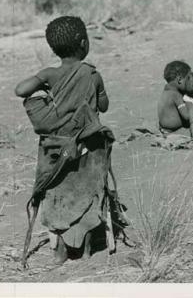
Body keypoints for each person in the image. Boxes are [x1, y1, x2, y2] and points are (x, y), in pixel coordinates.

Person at [15, 16, 118, 265]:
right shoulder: (92, 75)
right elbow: (103, 105)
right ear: (84, 43)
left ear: (53, 49)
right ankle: (84, 248)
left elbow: (20, 90)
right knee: (86, 191)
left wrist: (45, 88)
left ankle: (59, 249)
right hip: (86, 149)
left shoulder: (50, 73)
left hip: (56, 151)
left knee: (56, 193)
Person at [157, 60, 193, 134]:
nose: (190, 82)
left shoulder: (166, 90)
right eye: (188, 79)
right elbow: (187, 117)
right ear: (179, 79)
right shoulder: (176, 95)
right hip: (174, 131)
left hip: (163, 128)